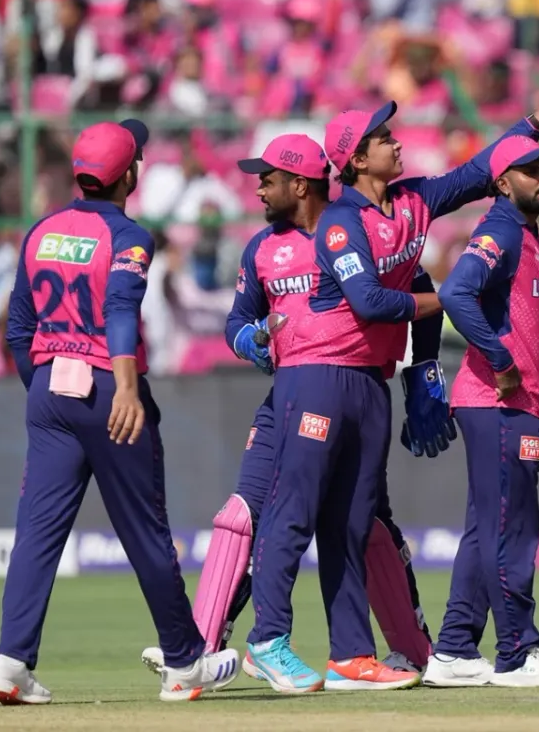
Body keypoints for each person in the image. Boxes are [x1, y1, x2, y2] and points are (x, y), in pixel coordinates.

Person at [245, 64, 539, 693]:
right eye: (383, 138)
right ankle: (267, 639)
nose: (396, 141)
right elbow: (367, 300)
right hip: (316, 372)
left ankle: (349, 655)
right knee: (294, 512)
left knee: (353, 521)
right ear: (357, 159)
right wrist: (440, 301)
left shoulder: (413, 200)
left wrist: (537, 119)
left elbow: (479, 172)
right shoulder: (341, 221)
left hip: (369, 381)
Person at [138, 134, 436, 682]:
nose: (258, 188)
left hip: (355, 386)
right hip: (292, 393)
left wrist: (425, 375)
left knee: (359, 521)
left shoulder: (358, 231)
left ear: (300, 183)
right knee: (242, 516)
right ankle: (198, 651)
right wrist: (245, 339)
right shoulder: (261, 248)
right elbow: (237, 317)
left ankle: (405, 651)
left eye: (268, 179)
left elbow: (418, 288)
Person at [0, 121, 239, 704]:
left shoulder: (40, 231)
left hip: (50, 389)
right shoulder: (129, 236)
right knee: (147, 533)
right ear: (129, 175)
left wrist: (44, 388)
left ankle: (9, 663)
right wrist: (122, 385)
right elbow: (122, 308)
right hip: (108, 391)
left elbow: (19, 326)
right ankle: (183, 662)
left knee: (36, 535)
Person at [428, 135, 539, 688]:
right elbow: (455, 293)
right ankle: (518, 651)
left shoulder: (529, 235)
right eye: (528, 170)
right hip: (498, 401)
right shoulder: (500, 230)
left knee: (485, 527)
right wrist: (498, 359)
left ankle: (453, 650)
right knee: (509, 527)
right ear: (500, 183)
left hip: (513, 402)